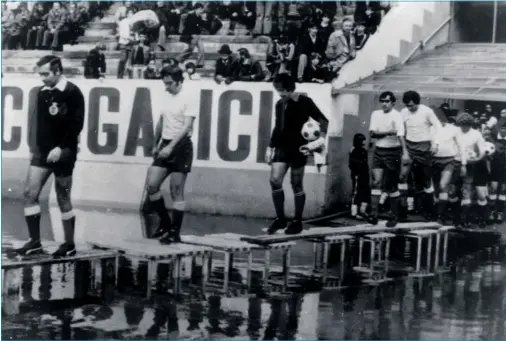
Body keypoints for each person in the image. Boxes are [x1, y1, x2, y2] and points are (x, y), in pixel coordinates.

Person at [15, 55, 85, 257]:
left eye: (46, 74)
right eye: (40, 74)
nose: (42, 78)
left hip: (64, 152)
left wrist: (61, 147)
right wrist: (34, 147)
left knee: (63, 197)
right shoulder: (42, 93)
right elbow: (39, 124)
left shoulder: (72, 92)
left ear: (58, 72)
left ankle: (69, 244)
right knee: (29, 193)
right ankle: (35, 242)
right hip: (42, 152)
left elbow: (76, 125)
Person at [265, 73, 329, 235]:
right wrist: (270, 147)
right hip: (281, 147)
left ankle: (297, 222)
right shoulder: (279, 104)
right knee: (274, 180)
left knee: (296, 184)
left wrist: (319, 141)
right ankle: (280, 219)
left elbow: (323, 120)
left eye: (282, 90)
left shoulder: (304, 101)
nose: (280, 94)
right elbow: (277, 127)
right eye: (278, 90)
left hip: (299, 147)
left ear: (290, 88)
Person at [141, 65, 197, 244]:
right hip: (165, 144)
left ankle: (175, 232)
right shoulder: (165, 96)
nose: (167, 87)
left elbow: (187, 126)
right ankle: (165, 223)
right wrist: (156, 144)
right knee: (152, 185)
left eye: (170, 83)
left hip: (181, 147)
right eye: (165, 83)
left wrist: (171, 147)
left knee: (175, 190)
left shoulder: (189, 97)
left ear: (179, 81)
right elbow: (162, 120)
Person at [398, 90, 442, 220]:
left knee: (426, 180)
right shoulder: (403, 112)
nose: (410, 108)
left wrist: (436, 144)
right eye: (407, 105)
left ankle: (430, 211)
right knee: (402, 177)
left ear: (417, 102)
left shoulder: (427, 111)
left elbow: (438, 127)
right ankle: (402, 210)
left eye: (412, 105)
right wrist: (405, 150)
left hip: (424, 147)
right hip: (409, 146)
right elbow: (400, 131)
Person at [368, 91, 407, 227]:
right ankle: (374, 215)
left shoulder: (397, 115)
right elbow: (372, 133)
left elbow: (400, 134)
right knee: (376, 182)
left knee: (391, 186)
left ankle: (393, 216)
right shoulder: (375, 114)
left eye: (387, 101)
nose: (384, 103)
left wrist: (405, 152)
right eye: (382, 101)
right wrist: (389, 132)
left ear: (393, 103)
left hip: (393, 152)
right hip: (379, 150)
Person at [430, 110, 466, 225]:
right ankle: (445, 213)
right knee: (437, 190)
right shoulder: (431, 129)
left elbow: (461, 146)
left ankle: (441, 216)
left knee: (443, 185)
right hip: (434, 161)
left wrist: (464, 164)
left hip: (449, 161)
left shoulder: (454, 129)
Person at [454, 112, 488, 228]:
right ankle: (463, 218)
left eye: (466, 125)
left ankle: (481, 218)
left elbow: (483, 149)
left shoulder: (476, 134)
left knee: (479, 193)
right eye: (462, 125)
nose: (464, 127)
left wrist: (477, 158)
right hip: (458, 163)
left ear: (470, 124)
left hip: (474, 164)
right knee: (462, 191)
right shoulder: (456, 132)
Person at [349, 133, 370, 219]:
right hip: (358, 174)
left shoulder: (363, 150)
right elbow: (352, 164)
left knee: (365, 192)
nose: (363, 142)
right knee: (356, 192)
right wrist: (357, 173)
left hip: (364, 174)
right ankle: (354, 212)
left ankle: (362, 211)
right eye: (361, 141)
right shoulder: (354, 150)